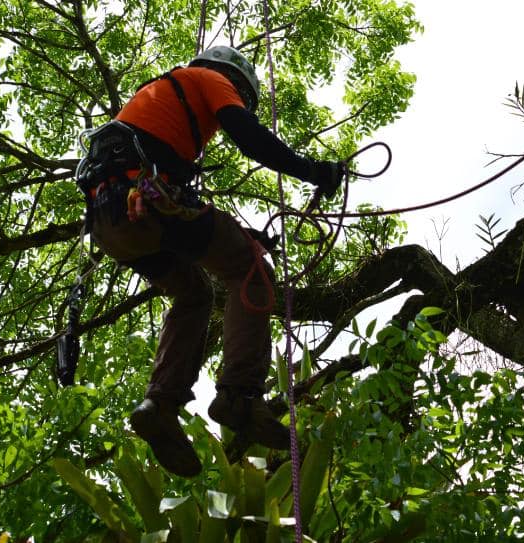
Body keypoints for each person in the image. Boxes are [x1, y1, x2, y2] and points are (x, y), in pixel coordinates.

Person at [76, 46, 343, 477]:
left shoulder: (159, 99)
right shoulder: (210, 79)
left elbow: (186, 203)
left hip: (114, 221)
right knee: (249, 272)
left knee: (194, 295)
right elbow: (248, 135)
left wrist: (243, 235)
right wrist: (313, 171)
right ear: (232, 80)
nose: (221, 121)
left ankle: (160, 404)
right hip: (150, 200)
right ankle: (240, 395)